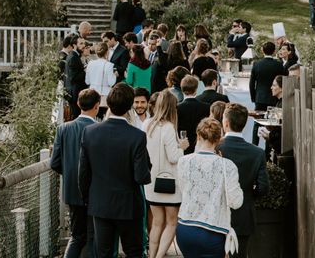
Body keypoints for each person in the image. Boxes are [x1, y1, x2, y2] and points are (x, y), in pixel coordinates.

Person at [79, 83, 152, 258]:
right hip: (129, 205)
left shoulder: (89, 132)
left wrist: (89, 199)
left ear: (108, 104)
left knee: (103, 253)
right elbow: (142, 176)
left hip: (100, 203)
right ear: (129, 107)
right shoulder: (137, 136)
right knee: (134, 251)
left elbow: (83, 174)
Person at [176, 118, 244, 258]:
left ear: (198, 136)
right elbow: (236, 202)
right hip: (212, 231)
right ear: (219, 139)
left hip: (185, 228)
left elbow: (183, 190)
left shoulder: (183, 161)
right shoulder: (227, 165)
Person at [51, 88, 101, 258]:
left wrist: (69, 174)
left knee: (77, 236)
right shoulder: (98, 129)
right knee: (95, 236)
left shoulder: (63, 129)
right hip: (95, 190)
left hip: (72, 190)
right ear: (97, 105)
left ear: (78, 104)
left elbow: (55, 163)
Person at [219, 104, 270, 258]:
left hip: (216, 211)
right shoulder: (257, 153)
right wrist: (248, 194)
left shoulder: (216, 147)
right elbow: (263, 188)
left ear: (226, 123)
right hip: (243, 212)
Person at [144, 89, 189, 258]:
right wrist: (182, 147)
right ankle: (159, 256)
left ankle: (151, 254)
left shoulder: (147, 124)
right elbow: (173, 157)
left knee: (156, 223)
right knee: (171, 223)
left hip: (151, 181)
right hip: (169, 183)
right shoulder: (169, 127)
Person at [250, 41, 286, 144]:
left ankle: (254, 144)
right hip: (273, 98)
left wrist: (254, 98)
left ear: (262, 51)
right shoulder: (279, 65)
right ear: (274, 51)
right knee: (272, 124)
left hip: (260, 98)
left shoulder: (257, 64)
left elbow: (252, 83)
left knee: (257, 123)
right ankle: (268, 150)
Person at [176, 75, 210, 155]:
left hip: (183, 146)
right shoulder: (206, 107)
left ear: (182, 89)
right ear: (196, 90)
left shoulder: (177, 108)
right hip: (201, 146)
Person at [257, 76, 285, 158]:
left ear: (281, 88)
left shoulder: (282, 104)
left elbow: (279, 127)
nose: (271, 87)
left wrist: (269, 135)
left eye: (274, 85)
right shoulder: (279, 102)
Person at [85, 41, 116, 111]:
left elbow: (87, 81)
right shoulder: (109, 65)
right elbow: (111, 83)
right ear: (107, 52)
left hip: (92, 95)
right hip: (105, 96)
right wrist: (115, 75)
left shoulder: (90, 63)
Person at [65, 36, 88, 120]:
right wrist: (85, 70)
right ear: (74, 45)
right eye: (81, 43)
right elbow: (73, 77)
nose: (83, 46)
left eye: (84, 43)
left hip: (76, 92)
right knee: (76, 118)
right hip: (74, 94)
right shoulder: (73, 57)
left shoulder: (75, 56)